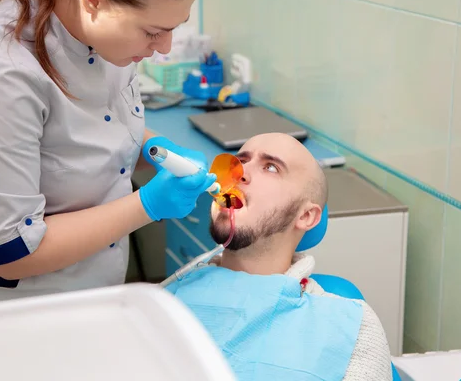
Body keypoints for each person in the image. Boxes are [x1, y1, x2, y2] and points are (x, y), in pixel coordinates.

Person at [0, 0, 215, 308]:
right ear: (92, 0)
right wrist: (147, 205)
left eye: (174, 29)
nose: (165, 47)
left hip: (95, 288)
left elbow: (102, 126)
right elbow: (10, 251)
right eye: (153, 32)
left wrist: (156, 148)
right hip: (13, 309)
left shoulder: (105, 36)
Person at [166, 133, 394, 381]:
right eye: (240, 161)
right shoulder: (167, 300)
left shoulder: (349, 329)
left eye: (271, 167)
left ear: (306, 216)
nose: (239, 174)